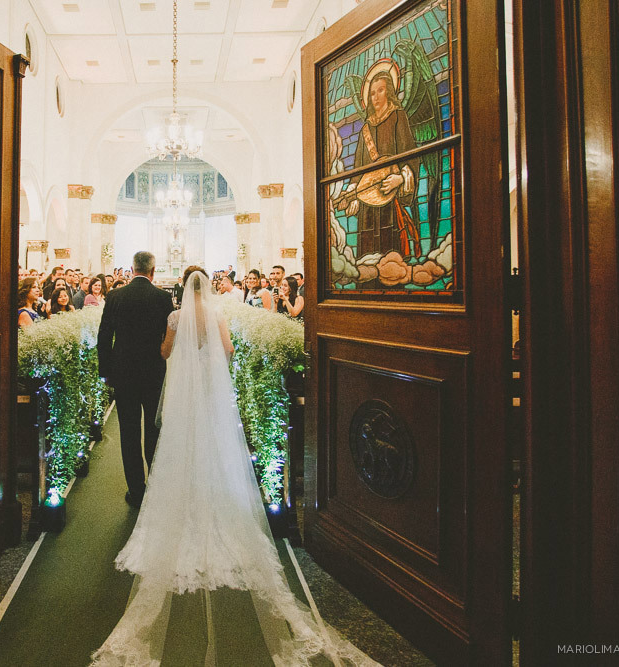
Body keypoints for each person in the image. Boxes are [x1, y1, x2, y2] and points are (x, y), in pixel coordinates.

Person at [91, 268, 375, 666]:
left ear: (182, 288)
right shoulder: (219, 314)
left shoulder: (175, 317)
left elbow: (166, 353)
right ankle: (218, 494)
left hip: (182, 391)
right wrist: (209, 366)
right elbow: (227, 351)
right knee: (216, 441)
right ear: (207, 285)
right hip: (210, 389)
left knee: (177, 440)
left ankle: (172, 494)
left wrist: (183, 355)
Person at [96, 251, 174, 508]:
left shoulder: (116, 296)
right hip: (153, 372)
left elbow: (104, 337)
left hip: (124, 372)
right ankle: (156, 484)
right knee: (154, 428)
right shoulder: (163, 297)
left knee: (129, 432)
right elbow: (167, 336)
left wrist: (106, 372)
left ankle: (137, 491)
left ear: (132, 269)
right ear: (153, 271)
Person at [333, 69, 421, 271]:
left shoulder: (397, 117)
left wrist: (401, 179)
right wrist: (353, 194)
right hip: (368, 198)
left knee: (391, 246)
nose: (376, 97)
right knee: (367, 250)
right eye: (372, 93)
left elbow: (410, 153)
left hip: (389, 195)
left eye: (380, 90)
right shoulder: (366, 127)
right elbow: (357, 167)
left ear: (389, 91)